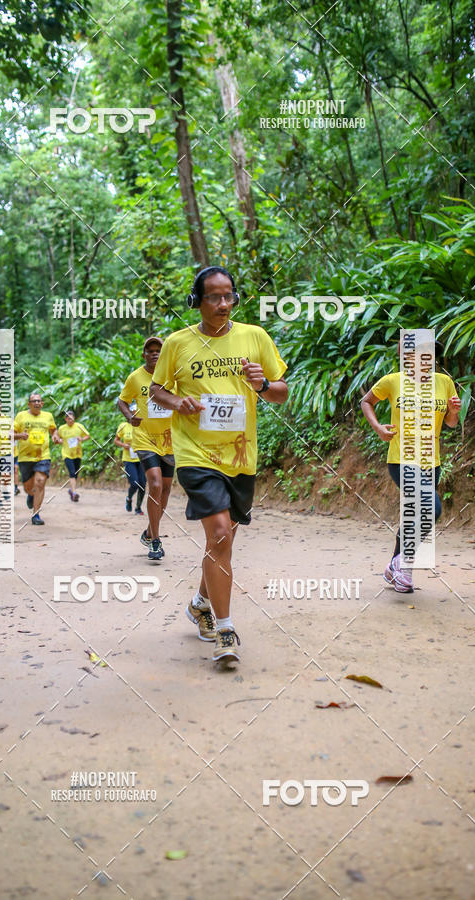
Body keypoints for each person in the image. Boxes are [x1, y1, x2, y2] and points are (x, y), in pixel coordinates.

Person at [151, 266, 288, 664]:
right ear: (197, 301)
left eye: (228, 295)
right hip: (196, 454)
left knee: (223, 540)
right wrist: (179, 403)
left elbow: (281, 393)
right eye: (213, 296)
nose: (223, 304)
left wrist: (261, 384)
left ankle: (198, 603)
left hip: (241, 456)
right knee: (219, 532)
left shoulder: (254, 338)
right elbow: (158, 391)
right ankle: (225, 630)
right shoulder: (178, 344)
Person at [360, 339, 461, 593]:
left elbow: (450, 423)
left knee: (415, 513)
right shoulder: (393, 381)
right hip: (401, 459)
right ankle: (402, 562)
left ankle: (396, 571)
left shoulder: (444, 382)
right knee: (431, 508)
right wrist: (378, 428)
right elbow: (366, 401)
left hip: (431, 462)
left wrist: (453, 411)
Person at [118, 337, 175, 560]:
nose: (154, 354)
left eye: (158, 350)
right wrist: (129, 416)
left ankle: (150, 532)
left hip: (170, 440)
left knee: (167, 490)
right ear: (144, 355)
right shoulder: (135, 377)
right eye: (150, 351)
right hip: (145, 439)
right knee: (155, 484)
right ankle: (156, 541)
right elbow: (122, 401)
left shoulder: (173, 376)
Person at [13, 393, 59, 525]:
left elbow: (53, 430)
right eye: (34, 401)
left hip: (43, 455)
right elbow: (11, 433)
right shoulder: (21, 416)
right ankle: (31, 495)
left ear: (42, 404)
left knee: (40, 481)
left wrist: (55, 436)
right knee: (28, 487)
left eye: (39, 401)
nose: (37, 403)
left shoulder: (48, 416)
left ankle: (36, 514)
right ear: (29, 404)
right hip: (25, 456)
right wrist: (20, 435)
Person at [57, 410, 90, 501]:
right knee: (72, 472)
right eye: (68, 419)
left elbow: (88, 435)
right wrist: (59, 440)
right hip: (67, 454)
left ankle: (71, 490)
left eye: (72, 418)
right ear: (65, 419)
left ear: (74, 418)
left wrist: (82, 439)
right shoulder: (62, 428)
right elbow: (57, 438)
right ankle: (74, 493)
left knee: (75, 474)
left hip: (78, 453)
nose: (70, 420)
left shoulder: (79, 426)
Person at [114, 418, 146, 514]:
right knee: (134, 483)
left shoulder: (142, 424)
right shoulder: (123, 426)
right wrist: (123, 445)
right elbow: (116, 440)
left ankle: (138, 508)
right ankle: (129, 498)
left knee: (143, 485)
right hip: (128, 460)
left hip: (141, 459)